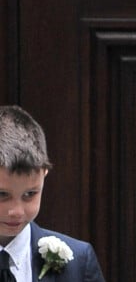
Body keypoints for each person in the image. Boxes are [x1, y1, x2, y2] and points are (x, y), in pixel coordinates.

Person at [0, 105, 105, 281]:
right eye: (2, 194)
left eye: (30, 194)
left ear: (44, 176)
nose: (16, 211)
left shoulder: (78, 262)